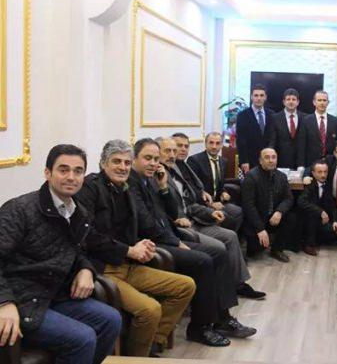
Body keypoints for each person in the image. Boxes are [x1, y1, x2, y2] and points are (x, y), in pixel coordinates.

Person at [0, 145, 122, 364]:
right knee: (83, 338)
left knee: (111, 320)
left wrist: (86, 269)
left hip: (54, 293)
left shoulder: (78, 212)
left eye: (78, 171)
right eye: (63, 170)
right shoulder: (19, 209)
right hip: (22, 298)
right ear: (48, 173)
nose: (71, 177)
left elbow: (78, 250)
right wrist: (4, 302)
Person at [129, 138, 256, 347]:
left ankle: (223, 318)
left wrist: (163, 187)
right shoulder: (132, 183)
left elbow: (171, 213)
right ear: (134, 159)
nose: (153, 163)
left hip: (168, 236)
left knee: (219, 252)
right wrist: (176, 241)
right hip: (152, 244)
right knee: (204, 260)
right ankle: (199, 328)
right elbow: (147, 224)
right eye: (147, 158)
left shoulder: (150, 179)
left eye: (155, 159)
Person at [76, 140, 196, 356]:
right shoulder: (89, 188)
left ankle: (151, 342)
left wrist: (142, 245)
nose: (122, 167)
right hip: (104, 270)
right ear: (103, 163)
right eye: (116, 162)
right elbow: (88, 237)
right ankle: (136, 357)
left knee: (185, 286)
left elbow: (140, 226)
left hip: (129, 265)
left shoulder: (126, 188)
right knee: (150, 309)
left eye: (126, 162)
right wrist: (129, 250)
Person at [158, 137, 265, 301]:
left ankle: (239, 284)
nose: (174, 154)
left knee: (231, 235)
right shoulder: (159, 177)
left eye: (176, 149)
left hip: (196, 216)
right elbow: (169, 210)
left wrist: (209, 213)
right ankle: (221, 296)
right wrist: (195, 212)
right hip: (182, 227)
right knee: (219, 246)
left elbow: (190, 202)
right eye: (168, 150)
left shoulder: (177, 168)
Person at [175, 132, 243, 232]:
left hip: (219, 201)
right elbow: (194, 190)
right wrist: (211, 204)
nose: (214, 146)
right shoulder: (194, 160)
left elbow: (220, 184)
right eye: (211, 143)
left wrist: (224, 192)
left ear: (221, 145)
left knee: (239, 212)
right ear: (205, 144)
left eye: (217, 143)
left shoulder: (223, 161)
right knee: (227, 218)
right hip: (203, 204)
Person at [241, 148, 295, 262]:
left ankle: (277, 249)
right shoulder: (251, 176)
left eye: (273, 157)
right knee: (255, 250)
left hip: (273, 217)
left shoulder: (282, 176)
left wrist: (279, 212)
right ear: (260, 161)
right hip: (256, 218)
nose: (271, 160)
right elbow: (248, 205)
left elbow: (289, 198)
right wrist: (260, 229)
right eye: (267, 157)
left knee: (291, 217)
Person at [297, 160, 337, 256]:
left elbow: (332, 205)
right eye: (320, 172)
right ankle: (308, 244)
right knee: (312, 216)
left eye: (325, 172)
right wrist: (320, 212)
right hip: (307, 218)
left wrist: (335, 221)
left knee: (334, 232)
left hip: (322, 219)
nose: (323, 175)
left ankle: (316, 239)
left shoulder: (328, 185)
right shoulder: (309, 184)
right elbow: (301, 202)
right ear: (313, 173)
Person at [236, 84, 274, 173]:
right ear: (251, 97)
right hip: (250, 161)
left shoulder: (272, 114)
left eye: (261, 95)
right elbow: (241, 140)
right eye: (256, 95)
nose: (259, 98)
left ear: (265, 97)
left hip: (269, 160)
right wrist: (244, 161)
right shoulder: (243, 115)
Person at [303, 90, 337, 167]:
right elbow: (302, 144)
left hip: (331, 162)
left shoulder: (336, 121)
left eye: (324, 100)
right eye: (319, 100)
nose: (322, 103)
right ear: (314, 102)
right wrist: (301, 165)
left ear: (328, 102)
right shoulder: (306, 121)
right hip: (311, 162)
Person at [269, 88, 306, 169]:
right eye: (288, 99)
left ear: (298, 102)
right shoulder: (275, 118)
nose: (291, 102)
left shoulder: (305, 118)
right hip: (281, 162)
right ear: (284, 102)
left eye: (293, 99)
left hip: (301, 162)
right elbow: (272, 140)